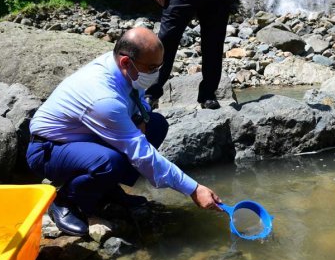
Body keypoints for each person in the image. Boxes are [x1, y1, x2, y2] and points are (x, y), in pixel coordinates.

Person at [26, 28, 222, 237]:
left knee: (156, 125)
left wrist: (141, 117)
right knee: (109, 162)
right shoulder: (102, 97)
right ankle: (65, 201)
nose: (157, 73)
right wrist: (193, 189)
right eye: (152, 68)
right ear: (126, 62)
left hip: (85, 137)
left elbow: (137, 101)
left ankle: (107, 192)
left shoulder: (122, 69)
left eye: (160, 66)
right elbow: (140, 153)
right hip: (48, 149)